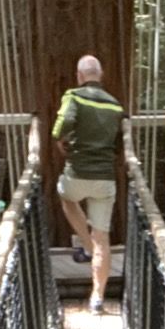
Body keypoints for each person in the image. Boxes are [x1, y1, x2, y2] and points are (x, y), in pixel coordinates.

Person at [53, 54, 124, 314]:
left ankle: (86, 244)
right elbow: (118, 141)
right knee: (103, 238)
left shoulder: (74, 96)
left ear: (80, 76)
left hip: (78, 174)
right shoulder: (115, 106)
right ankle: (97, 298)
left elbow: (64, 124)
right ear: (100, 76)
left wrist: (59, 139)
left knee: (66, 197)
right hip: (105, 179)